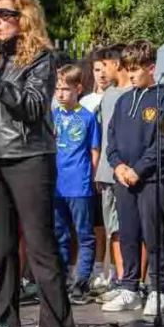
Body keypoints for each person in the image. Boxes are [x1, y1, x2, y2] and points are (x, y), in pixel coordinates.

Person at [0, 0, 76, 327]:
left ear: (24, 18)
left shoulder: (42, 58)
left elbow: (31, 107)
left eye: (4, 14)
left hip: (30, 159)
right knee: (1, 247)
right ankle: (3, 323)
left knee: (41, 247)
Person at [101, 40, 164, 315]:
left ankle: (158, 290)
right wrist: (118, 166)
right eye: (128, 69)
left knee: (153, 234)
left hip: (153, 180)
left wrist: (139, 169)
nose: (131, 75)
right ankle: (129, 287)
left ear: (151, 68)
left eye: (136, 69)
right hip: (124, 179)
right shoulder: (123, 101)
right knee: (128, 233)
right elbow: (111, 138)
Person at [52, 64, 102, 303]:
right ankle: (61, 278)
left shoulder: (88, 118)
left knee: (84, 234)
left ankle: (82, 280)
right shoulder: (52, 116)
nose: (61, 94)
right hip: (56, 185)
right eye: (58, 89)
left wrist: (90, 179)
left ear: (79, 89)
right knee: (59, 233)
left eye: (66, 89)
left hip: (79, 183)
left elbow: (94, 151)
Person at [92, 44, 131, 292]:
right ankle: (120, 276)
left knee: (128, 229)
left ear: (116, 64)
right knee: (114, 229)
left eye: (105, 66)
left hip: (128, 173)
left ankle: (129, 280)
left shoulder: (132, 94)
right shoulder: (108, 95)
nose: (102, 72)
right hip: (107, 173)